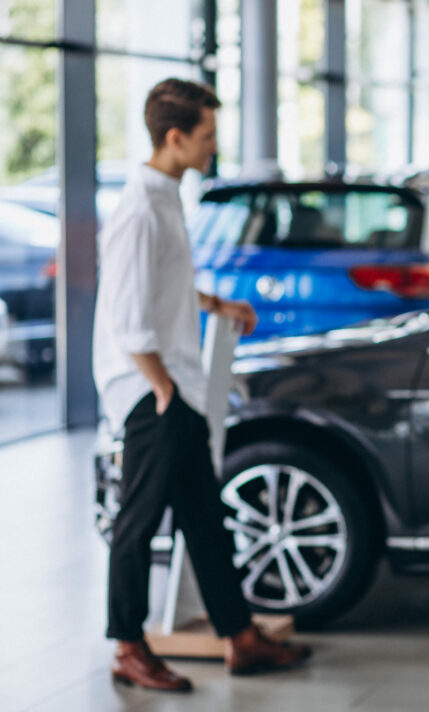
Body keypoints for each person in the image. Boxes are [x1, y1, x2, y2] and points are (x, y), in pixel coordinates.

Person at [93, 78, 311, 692]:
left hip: (173, 387)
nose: (214, 146)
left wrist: (216, 304)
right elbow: (127, 318)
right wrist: (160, 388)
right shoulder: (139, 209)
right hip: (149, 391)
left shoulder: (165, 198)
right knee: (138, 521)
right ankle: (128, 646)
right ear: (175, 136)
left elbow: (161, 285)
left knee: (204, 516)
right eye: (208, 136)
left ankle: (239, 638)